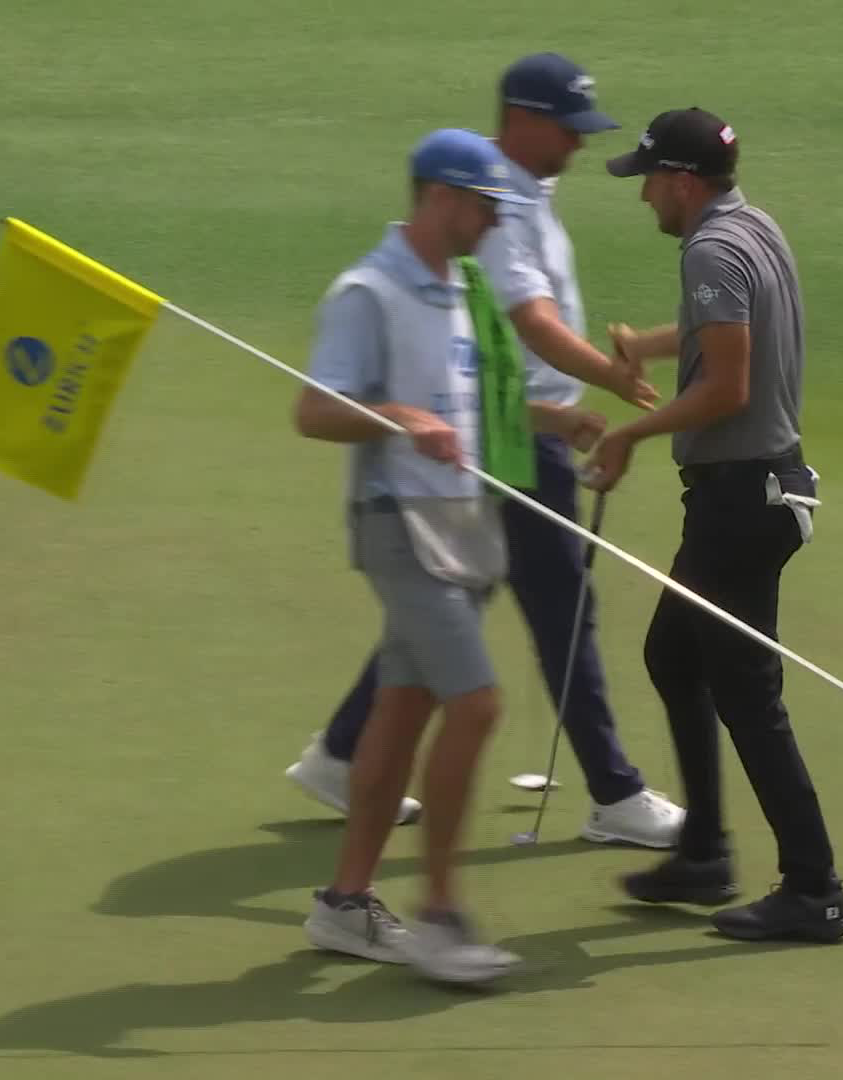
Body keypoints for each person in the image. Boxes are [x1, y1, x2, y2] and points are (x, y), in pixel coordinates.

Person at [284, 52, 685, 849]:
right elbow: (531, 321)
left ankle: (340, 754)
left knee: (456, 606)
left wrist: (558, 413)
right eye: (566, 128)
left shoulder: (519, 197)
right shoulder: (485, 204)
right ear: (522, 120)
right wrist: (604, 377)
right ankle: (614, 792)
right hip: (501, 442)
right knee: (556, 607)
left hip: (516, 425)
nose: (578, 143)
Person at [293, 127, 600, 982]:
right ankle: (439, 918)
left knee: (402, 710)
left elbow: (478, 400)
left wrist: (552, 419)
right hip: (399, 524)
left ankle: (345, 903)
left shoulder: (466, 289)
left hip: (463, 526)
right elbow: (314, 411)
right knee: (477, 704)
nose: (494, 222)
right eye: (483, 207)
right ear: (439, 197)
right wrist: (399, 420)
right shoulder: (368, 292)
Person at [586, 107, 843, 942]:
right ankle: (704, 851)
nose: (644, 197)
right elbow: (726, 335)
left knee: (748, 696)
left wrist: (628, 434)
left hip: (741, 498)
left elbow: (728, 386)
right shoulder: (753, 227)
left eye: (649, 181)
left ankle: (815, 887)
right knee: (674, 656)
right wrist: (647, 344)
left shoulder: (709, 250)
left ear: (681, 181)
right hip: (754, 489)